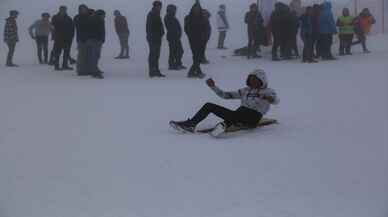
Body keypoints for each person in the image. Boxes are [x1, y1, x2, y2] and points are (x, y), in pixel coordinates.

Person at [170, 69, 279, 136]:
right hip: (238, 116)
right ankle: (191, 125)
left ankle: (224, 125)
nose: (252, 81)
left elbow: (276, 100)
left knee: (243, 111)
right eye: (250, 79)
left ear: (262, 80)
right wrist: (213, 87)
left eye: (255, 79)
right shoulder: (245, 90)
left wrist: (268, 98)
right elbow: (225, 95)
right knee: (209, 106)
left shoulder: (268, 91)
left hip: (253, 118)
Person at [185, 2, 207, 78]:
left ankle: (197, 71)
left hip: (201, 40)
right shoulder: (188, 17)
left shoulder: (202, 17)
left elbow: (205, 28)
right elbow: (186, 29)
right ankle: (191, 72)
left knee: (199, 56)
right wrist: (191, 36)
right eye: (195, 8)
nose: (196, 10)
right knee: (196, 55)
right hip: (193, 40)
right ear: (192, 9)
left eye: (198, 8)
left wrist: (204, 36)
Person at [51, 6, 75, 70]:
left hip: (67, 38)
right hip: (58, 38)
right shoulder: (55, 17)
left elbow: (72, 28)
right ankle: (56, 66)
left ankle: (65, 65)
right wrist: (53, 36)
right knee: (57, 52)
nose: (63, 11)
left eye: (64, 9)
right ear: (59, 10)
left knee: (66, 52)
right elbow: (53, 26)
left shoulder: (69, 18)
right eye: (62, 9)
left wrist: (72, 36)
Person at [146, 1, 165, 78]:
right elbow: (149, 28)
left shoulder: (156, 14)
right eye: (158, 6)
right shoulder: (151, 14)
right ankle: (152, 71)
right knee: (153, 55)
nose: (160, 7)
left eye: (160, 6)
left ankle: (156, 70)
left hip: (157, 38)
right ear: (155, 6)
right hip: (153, 38)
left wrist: (161, 33)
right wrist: (153, 36)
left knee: (156, 55)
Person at [164, 4, 186, 70]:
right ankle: (171, 65)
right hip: (172, 37)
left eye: (175, 10)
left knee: (180, 51)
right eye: (173, 9)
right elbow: (171, 28)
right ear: (170, 10)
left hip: (176, 37)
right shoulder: (168, 17)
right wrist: (176, 33)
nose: (175, 11)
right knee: (173, 51)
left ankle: (178, 63)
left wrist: (178, 33)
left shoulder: (172, 17)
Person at [74, 4, 90, 76]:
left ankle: (87, 69)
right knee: (81, 55)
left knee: (88, 55)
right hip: (81, 38)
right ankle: (80, 70)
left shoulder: (89, 16)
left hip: (89, 38)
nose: (83, 10)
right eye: (82, 9)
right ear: (79, 10)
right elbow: (78, 26)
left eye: (85, 9)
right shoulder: (77, 17)